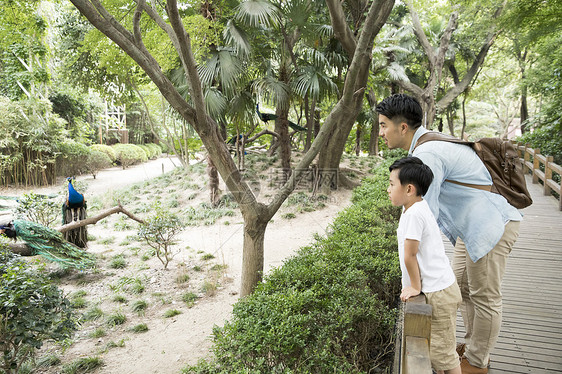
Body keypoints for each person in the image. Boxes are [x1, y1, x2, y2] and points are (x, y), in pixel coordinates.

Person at [377, 94, 522, 374]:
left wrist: (412, 275)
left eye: (384, 125)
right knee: (464, 289)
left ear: (402, 127)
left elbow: (422, 211)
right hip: (473, 227)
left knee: (485, 295)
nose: (381, 132)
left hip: (492, 224)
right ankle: (470, 349)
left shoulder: (426, 154)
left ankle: (477, 362)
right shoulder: (426, 142)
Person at [388, 156, 462, 374]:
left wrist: (415, 287)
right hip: (441, 289)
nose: (388, 189)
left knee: (444, 356)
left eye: (392, 184)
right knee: (440, 351)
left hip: (438, 293)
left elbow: (410, 255)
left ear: (409, 188)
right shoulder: (415, 207)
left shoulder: (413, 214)